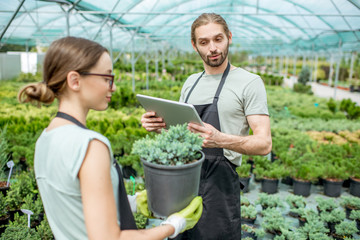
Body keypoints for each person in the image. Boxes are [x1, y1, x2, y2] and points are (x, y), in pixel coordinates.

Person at [18, 36, 202, 240]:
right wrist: (173, 225)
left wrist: (131, 202)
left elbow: (74, 206)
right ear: (75, 80)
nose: (113, 87)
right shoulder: (90, 146)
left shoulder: (46, 138)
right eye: (107, 78)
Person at [141, 13, 272, 240]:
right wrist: (159, 127)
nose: (212, 48)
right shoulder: (191, 82)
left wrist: (220, 139)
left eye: (218, 39)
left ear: (229, 37)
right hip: (184, 181)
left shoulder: (249, 82)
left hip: (219, 187)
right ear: (195, 46)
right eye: (204, 42)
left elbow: (264, 144)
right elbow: (183, 135)